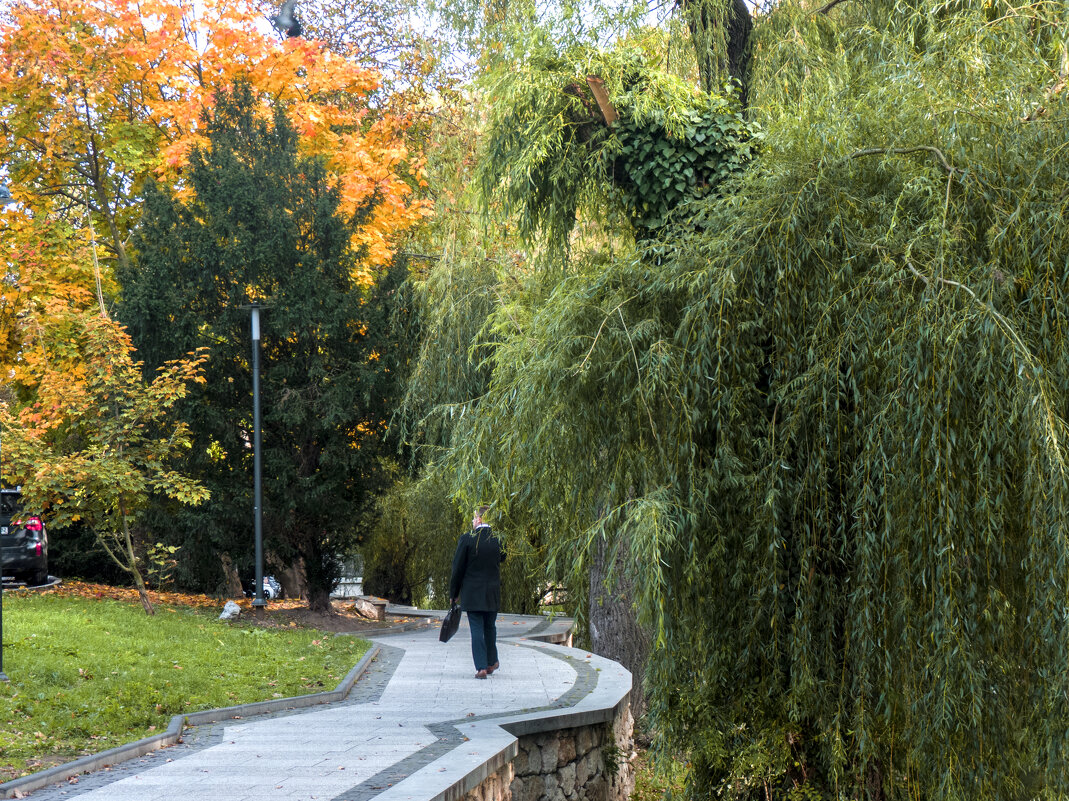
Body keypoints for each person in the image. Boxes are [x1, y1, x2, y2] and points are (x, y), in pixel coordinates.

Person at [448, 506, 506, 679]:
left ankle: (481, 667)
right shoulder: (498, 540)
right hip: (492, 592)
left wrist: (454, 592)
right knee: (490, 627)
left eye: (474, 518)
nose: (472, 522)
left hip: (472, 593)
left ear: (479, 519)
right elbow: (503, 557)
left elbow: (457, 568)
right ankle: (491, 662)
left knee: (476, 629)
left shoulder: (467, 539)